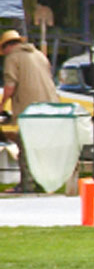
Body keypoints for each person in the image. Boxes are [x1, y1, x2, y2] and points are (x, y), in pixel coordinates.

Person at [0, 30, 60, 191]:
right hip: (50, 108)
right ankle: (44, 184)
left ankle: (27, 185)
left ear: (7, 46)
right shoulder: (39, 55)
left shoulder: (13, 58)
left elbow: (10, 86)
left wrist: (2, 104)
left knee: (25, 147)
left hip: (30, 111)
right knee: (42, 148)